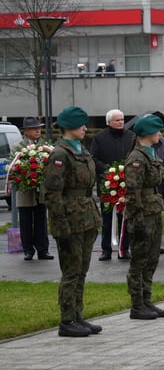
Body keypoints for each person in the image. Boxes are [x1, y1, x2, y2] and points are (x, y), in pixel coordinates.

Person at [43, 106, 101, 337]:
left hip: (85, 217)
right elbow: (52, 194)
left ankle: (78, 316)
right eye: (81, 125)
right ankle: (67, 320)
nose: (85, 128)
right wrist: (62, 227)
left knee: (82, 270)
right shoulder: (60, 155)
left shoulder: (81, 151)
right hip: (69, 221)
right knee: (71, 271)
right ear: (68, 127)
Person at [123, 114, 164, 320]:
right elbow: (133, 192)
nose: (160, 134)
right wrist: (137, 219)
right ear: (147, 133)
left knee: (151, 258)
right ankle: (137, 304)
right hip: (142, 214)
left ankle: (146, 299)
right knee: (139, 260)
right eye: (157, 130)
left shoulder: (150, 154)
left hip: (153, 210)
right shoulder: (137, 157)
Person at [90, 109, 135, 260]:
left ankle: (124, 248)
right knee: (107, 218)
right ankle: (106, 249)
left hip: (126, 183)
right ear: (108, 122)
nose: (121, 122)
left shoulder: (131, 136)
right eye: (117, 120)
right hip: (107, 184)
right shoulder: (99, 137)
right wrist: (108, 170)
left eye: (122, 119)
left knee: (125, 217)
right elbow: (94, 158)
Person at [14, 117, 53, 261]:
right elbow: (15, 168)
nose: (38, 131)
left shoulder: (45, 145)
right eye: (34, 128)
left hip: (41, 191)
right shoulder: (18, 147)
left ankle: (43, 250)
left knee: (41, 220)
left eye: (39, 128)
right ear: (26, 131)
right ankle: (28, 250)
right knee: (25, 221)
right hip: (25, 190)